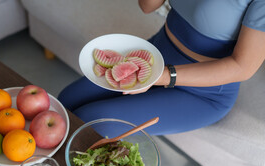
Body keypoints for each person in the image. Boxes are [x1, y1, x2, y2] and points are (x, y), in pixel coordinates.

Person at [58, 0, 265, 135]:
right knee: (66, 101)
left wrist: (164, 75)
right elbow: (147, 5)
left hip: (203, 92)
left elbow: (242, 67)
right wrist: (157, 72)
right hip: (155, 56)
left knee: (92, 123)